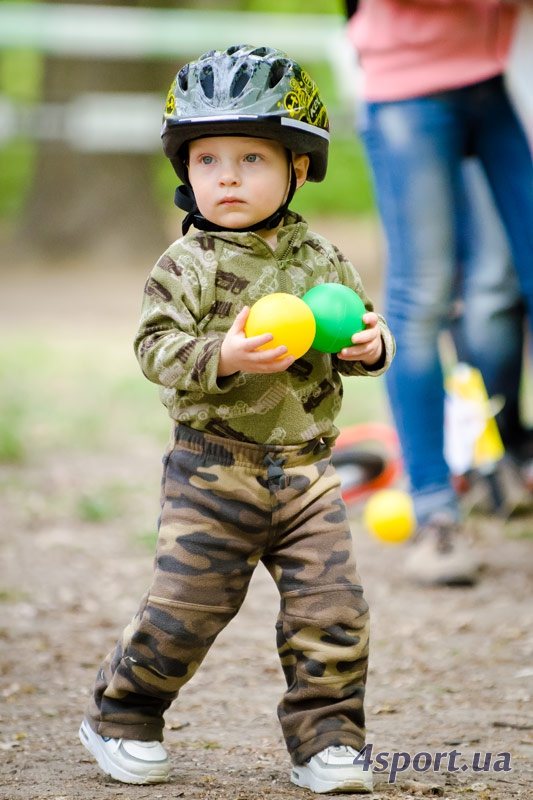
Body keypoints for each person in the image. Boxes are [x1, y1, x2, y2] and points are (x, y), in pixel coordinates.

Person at [78, 44, 395, 794]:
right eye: (207, 157)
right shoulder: (182, 266)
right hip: (211, 471)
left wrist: (370, 346)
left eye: (251, 157)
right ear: (183, 170)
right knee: (185, 612)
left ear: (298, 167)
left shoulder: (322, 258)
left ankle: (326, 741)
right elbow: (153, 348)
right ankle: (121, 716)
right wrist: (223, 353)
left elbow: (349, 336)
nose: (226, 175)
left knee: (333, 614)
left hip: (310, 473)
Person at [346, 0, 533, 585]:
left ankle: (498, 466)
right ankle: (435, 514)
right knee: (421, 295)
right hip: (407, 83)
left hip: (495, 75)